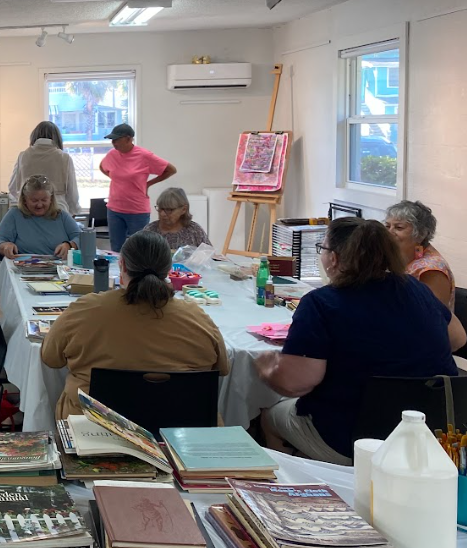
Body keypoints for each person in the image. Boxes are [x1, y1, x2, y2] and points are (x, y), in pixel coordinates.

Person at [257, 218, 465, 465]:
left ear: (334, 258)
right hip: (431, 434)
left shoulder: (321, 303)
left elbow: (297, 384)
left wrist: (268, 370)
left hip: (352, 438)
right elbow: (458, 338)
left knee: (268, 416)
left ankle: (298, 483)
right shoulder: (415, 288)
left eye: (322, 249)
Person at [43, 230, 229, 419]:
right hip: (181, 431)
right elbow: (222, 367)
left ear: (121, 265)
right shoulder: (196, 317)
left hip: (94, 431)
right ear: (168, 269)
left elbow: (50, 358)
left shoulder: (85, 310)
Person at [99, 123, 177, 252]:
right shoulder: (112, 155)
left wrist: (148, 184)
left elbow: (171, 170)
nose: (114, 143)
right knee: (116, 249)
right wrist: (117, 179)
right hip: (114, 209)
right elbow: (103, 167)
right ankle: (119, 272)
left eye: (117, 139)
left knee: (140, 249)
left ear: (129, 139)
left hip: (137, 211)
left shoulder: (144, 156)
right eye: (112, 140)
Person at [384, 200, 455, 309]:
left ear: (421, 234)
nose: (389, 232)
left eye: (399, 227)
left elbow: (434, 315)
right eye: (387, 226)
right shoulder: (398, 255)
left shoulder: (432, 270)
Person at [0, 176, 81, 260]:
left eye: (44, 200)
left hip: (58, 270)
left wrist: (69, 245)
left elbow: (81, 238)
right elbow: (0, 240)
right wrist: (5, 246)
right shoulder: (14, 215)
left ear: (51, 199)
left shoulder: (62, 216)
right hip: (23, 270)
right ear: (25, 200)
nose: (39, 205)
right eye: (34, 201)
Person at [8, 121, 81, 214]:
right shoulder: (64, 157)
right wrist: (74, 212)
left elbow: (13, 187)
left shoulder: (23, 156)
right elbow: (72, 193)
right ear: (57, 138)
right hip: (57, 212)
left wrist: (28, 200)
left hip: (29, 213)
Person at [142, 187, 210, 250]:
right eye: (160, 208)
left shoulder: (194, 231)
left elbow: (209, 256)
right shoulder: (150, 231)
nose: (162, 214)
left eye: (168, 210)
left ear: (183, 209)